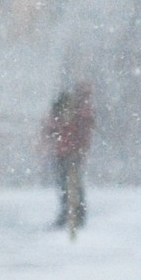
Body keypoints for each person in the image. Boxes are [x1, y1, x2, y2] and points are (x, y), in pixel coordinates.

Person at [43, 82, 94, 230]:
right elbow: (52, 131)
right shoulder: (63, 116)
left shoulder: (78, 115)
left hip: (70, 154)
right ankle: (70, 213)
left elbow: (82, 133)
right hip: (64, 154)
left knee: (72, 185)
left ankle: (75, 214)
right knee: (66, 185)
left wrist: (78, 149)